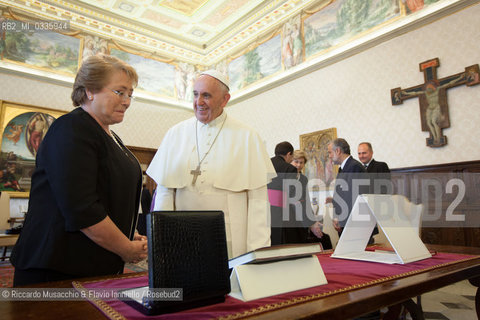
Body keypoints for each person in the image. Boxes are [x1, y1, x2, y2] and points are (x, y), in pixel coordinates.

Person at [11, 54, 147, 286]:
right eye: (120, 92)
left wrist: (127, 231)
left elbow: (107, 196)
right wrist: (126, 249)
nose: (127, 101)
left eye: (130, 95)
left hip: (93, 265)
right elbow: (82, 209)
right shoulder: (72, 128)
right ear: (90, 90)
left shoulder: (111, 137)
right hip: (57, 269)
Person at [146, 70, 275, 259]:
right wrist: (161, 244)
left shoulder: (247, 136)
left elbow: (258, 203)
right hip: (182, 238)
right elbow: (165, 194)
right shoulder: (175, 134)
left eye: (206, 95)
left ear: (225, 99)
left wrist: (258, 255)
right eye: (195, 94)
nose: (199, 102)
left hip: (231, 242)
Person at [291, 150, 332, 249]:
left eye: (301, 163)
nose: (298, 165)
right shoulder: (286, 177)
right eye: (296, 162)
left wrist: (312, 221)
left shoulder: (303, 179)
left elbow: (306, 201)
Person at [326, 138, 369, 234]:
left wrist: (340, 218)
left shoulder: (354, 167)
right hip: (348, 223)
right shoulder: (344, 167)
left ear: (338, 151)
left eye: (330, 153)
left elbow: (352, 198)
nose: (329, 156)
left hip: (355, 225)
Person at [267, 141, 299, 245]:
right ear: (289, 154)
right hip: (282, 213)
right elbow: (291, 194)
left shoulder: (265, 164)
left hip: (264, 209)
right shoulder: (290, 168)